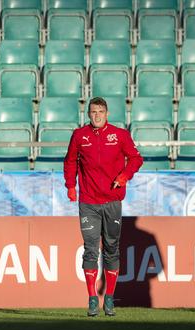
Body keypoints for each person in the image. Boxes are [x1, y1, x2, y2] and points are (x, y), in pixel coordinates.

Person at [64, 97, 143, 316]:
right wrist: (70, 185)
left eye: (100, 111)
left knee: (111, 248)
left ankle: (109, 297)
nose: (96, 115)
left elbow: (136, 158)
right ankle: (91, 298)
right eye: (93, 112)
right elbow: (70, 161)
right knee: (90, 249)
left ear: (107, 113)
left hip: (112, 201)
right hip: (88, 202)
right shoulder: (80, 136)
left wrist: (124, 175)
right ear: (88, 114)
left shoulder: (119, 135)